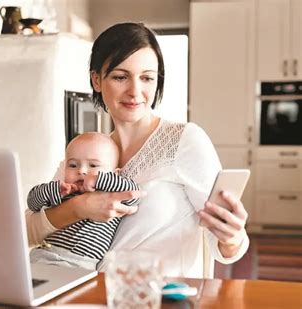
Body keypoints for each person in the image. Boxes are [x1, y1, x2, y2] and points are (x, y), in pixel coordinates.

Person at [25, 22, 249, 278]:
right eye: (121, 77)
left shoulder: (185, 141)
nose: (135, 92)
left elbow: (225, 247)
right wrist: (80, 207)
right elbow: (28, 231)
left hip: (156, 299)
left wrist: (232, 238)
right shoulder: (86, 150)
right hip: (85, 294)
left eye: (147, 78)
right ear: (96, 79)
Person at [27, 132, 140, 270]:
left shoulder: (112, 195)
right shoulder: (65, 192)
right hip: (42, 255)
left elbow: (133, 194)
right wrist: (53, 189)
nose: (82, 170)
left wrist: (99, 179)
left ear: (114, 174)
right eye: (73, 165)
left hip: (78, 265)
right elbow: (32, 203)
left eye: (93, 166)